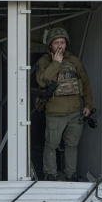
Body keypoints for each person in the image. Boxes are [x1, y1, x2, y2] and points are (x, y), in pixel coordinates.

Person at [35, 27, 93, 182]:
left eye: (62, 42)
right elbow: (41, 81)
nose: (60, 46)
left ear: (66, 44)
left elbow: (85, 82)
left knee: (72, 144)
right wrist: (56, 63)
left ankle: (71, 174)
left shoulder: (74, 61)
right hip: (55, 113)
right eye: (56, 43)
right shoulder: (44, 62)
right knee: (51, 145)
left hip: (74, 112)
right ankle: (50, 174)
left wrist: (87, 105)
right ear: (50, 45)